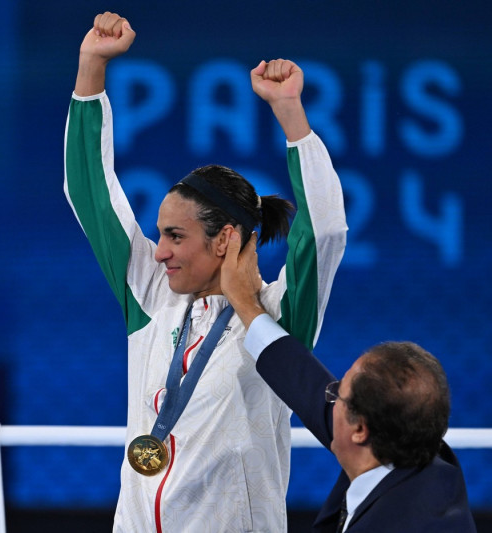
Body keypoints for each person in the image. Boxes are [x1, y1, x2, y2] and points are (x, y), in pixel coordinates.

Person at [63, 12, 347, 533]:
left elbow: (324, 233)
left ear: (223, 240)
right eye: (159, 233)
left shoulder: (278, 320)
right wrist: (90, 67)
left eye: (175, 236)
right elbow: (90, 193)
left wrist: (290, 114)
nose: (158, 252)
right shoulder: (149, 297)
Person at [219, 231, 478, 532]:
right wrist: (246, 304)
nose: (327, 399)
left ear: (359, 429)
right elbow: (307, 385)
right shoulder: (426, 460)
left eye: (336, 394)